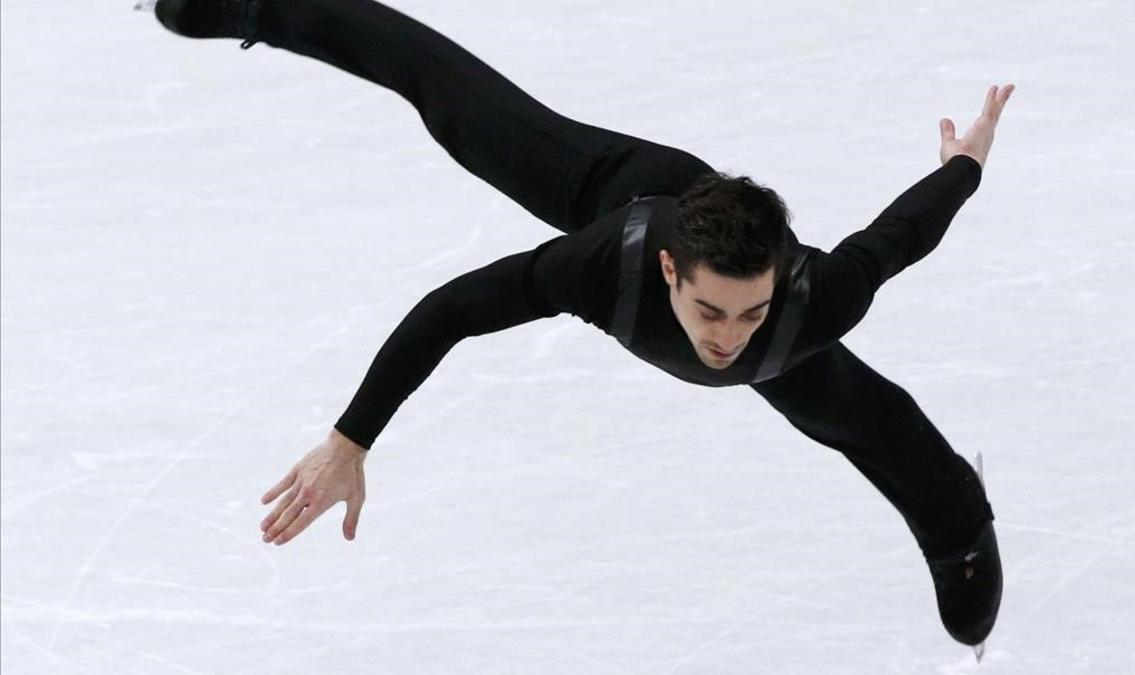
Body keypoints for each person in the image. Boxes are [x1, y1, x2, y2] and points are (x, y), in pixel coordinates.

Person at [152, 0, 1015, 650]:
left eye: (750, 311)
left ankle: (959, 525)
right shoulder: (605, 266)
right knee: (449, 101)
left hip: (750, 261)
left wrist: (964, 167)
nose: (728, 336)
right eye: (711, 310)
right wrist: (350, 439)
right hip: (617, 183)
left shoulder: (810, 299)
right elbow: (451, 310)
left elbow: (901, 235)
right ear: (672, 271)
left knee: (860, 416)